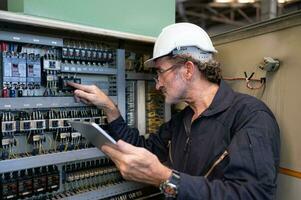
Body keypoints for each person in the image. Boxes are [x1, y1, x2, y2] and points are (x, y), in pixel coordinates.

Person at [69, 23, 280, 199]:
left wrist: (166, 178)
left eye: (161, 72)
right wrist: (110, 109)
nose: (158, 84)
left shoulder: (250, 116)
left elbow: (253, 194)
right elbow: (145, 149)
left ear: (188, 69)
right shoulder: (182, 120)